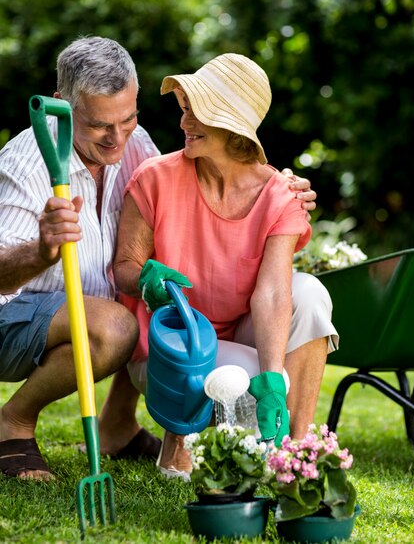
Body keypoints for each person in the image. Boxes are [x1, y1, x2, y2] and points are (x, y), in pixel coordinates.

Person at [0, 37, 316, 481]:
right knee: (116, 324)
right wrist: (41, 250)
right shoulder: (28, 164)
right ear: (60, 106)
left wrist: (277, 188)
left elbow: (174, 194)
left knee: (136, 301)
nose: (116, 139)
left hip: (93, 310)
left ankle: (116, 425)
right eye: (97, 126)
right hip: (13, 318)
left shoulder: (136, 145)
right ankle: (13, 422)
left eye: (127, 119)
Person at [110, 52, 339, 480]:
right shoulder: (154, 178)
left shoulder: (279, 194)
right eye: (184, 110)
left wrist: (273, 379)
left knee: (310, 295)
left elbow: (273, 291)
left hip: (242, 332)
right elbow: (123, 265)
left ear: (232, 124)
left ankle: (292, 453)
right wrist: (145, 280)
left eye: (197, 113)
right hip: (170, 345)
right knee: (239, 378)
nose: (183, 124)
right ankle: (179, 443)